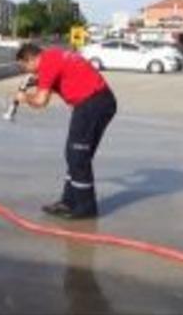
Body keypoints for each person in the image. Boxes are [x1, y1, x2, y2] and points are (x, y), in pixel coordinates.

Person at [13, 43, 117, 219]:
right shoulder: (53, 55)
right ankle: (69, 202)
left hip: (93, 102)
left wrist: (24, 98)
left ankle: (85, 207)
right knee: (74, 154)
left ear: (31, 59)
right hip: (95, 102)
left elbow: (40, 101)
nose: (27, 72)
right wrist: (38, 81)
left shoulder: (47, 64)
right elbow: (63, 74)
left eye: (25, 66)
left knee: (78, 155)